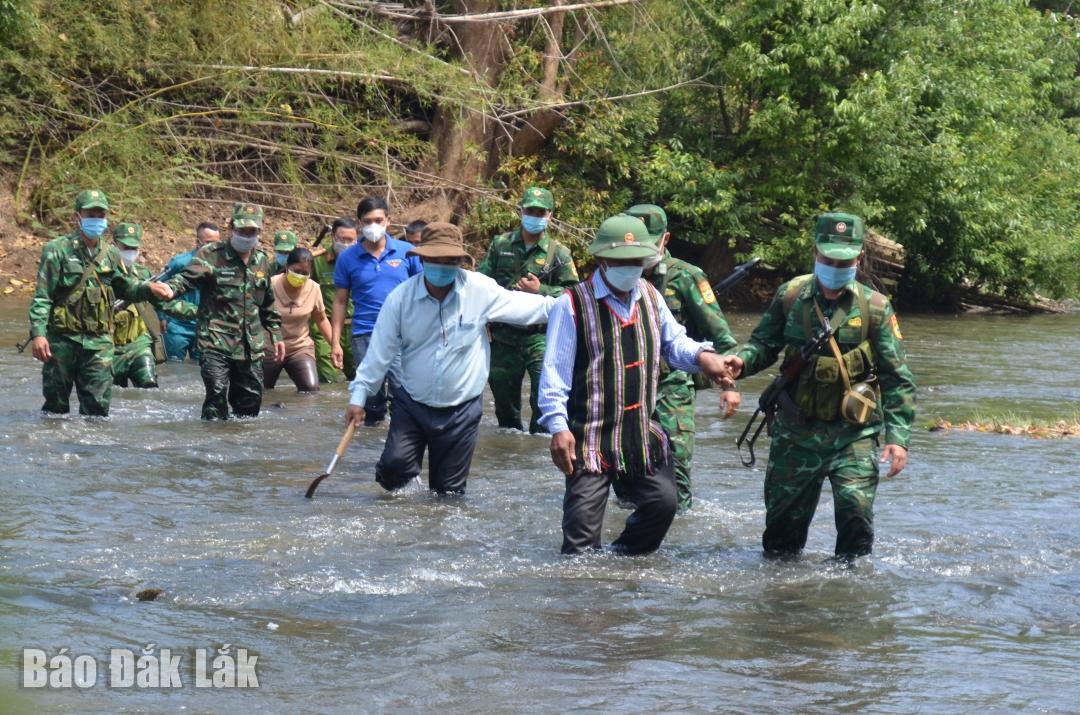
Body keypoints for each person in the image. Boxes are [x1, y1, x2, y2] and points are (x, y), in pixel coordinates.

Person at [720, 212, 916, 560]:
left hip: (853, 433)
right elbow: (763, 345)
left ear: (858, 259)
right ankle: (783, 602)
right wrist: (741, 361)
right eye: (828, 259)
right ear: (815, 253)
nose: (835, 266)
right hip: (796, 432)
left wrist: (897, 439)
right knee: (781, 538)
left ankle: (847, 597)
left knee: (856, 516)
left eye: (843, 260)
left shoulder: (875, 307)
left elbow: (896, 376)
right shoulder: (792, 295)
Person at [538, 214, 737, 556]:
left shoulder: (649, 295)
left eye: (636, 262)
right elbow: (553, 374)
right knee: (579, 548)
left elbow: (675, 344)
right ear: (601, 260)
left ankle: (622, 565)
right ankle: (584, 598)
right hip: (591, 439)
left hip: (640, 433)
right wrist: (558, 426)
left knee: (663, 504)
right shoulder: (572, 305)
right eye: (621, 262)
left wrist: (706, 358)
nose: (629, 268)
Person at [345, 222, 555, 495]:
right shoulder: (400, 299)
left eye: (449, 261)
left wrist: (576, 304)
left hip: (461, 408)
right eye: (435, 260)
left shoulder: (479, 290)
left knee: (448, 494)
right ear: (422, 260)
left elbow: (530, 308)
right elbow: (378, 354)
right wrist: (358, 399)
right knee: (393, 470)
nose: (442, 266)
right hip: (412, 402)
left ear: (460, 262)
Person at [618, 203, 741, 512]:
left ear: (666, 239)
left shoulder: (685, 277)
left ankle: (677, 541)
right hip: (627, 387)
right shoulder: (614, 274)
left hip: (671, 388)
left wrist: (729, 385)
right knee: (625, 473)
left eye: (652, 240)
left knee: (677, 473)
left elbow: (723, 336)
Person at [27, 190, 173, 416]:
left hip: (99, 344)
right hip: (62, 341)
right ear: (77, 217)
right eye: (90, 213)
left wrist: (149, 289)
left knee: (98, 411)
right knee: (55, 409)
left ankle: (91, 451)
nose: (96, 218)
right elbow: (42, 296)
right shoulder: (56, 250)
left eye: (100, 214)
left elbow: (125, 287)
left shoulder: (111, 254)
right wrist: (38, 334)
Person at [162, 202, 285, 420]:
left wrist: (275, 333)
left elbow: (267, 302)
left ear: (259, 231)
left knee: (250, 403)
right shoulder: (211, 254)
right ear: (231, 228)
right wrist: (169, 289)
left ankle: (242, 449)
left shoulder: (262, 260)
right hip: (215, 341)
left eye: (252, 231)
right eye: (241, 230)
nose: (246, 235)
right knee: (216, 396)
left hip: (250, 345)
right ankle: (212, 447)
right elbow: (185, 279)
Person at [478, 187, 579, 433]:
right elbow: (480, 283)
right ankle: (509, 456)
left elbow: (574, 296)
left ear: (549, 216)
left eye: (540, 211)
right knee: (504, 405)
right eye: (530, 210)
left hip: (541, 337)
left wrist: (541, 289)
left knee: (544, 400)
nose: (534, 215)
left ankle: (539, 449)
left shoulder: (559, 254)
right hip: (503, 336)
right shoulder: (500, 244)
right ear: (521, 211)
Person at [332, 196, 422, 425]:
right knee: (370, 397)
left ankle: (401, 440)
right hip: (365, 334)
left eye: (378, 219)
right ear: (360, 223)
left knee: (405, 392)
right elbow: (340, 302)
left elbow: (424, 292)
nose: (373, 225)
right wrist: (335, 343)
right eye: (367, 221)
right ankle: (371, 447)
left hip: (403, 334)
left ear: (388, 220)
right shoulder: (347, 258)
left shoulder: (407, 252)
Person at [263, 247, 336, 392]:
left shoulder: (314, 289)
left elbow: (321, 320)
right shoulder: (269, 285)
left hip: (299, 347)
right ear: (287, 267)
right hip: (270, 348)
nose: (300, 276)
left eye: (305, 273)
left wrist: (335, 345)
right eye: (296, 271)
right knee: (260, 392)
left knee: (311, 389)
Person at [111, 222, 166, 388]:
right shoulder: (103, 272)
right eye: (125, 246)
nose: (130, 251)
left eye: (134, 247)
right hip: (109, 346)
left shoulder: (143, 273)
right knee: (113, 394)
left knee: (149, 387)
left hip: (139, 342)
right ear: (114, 245)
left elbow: (159, 302)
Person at [159, 222, 219, 361]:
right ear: (198, 242)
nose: (214, 247)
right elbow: (161, 287)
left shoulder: (221, 266)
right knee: (173, 368)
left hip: (205, 327)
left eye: (217, 243)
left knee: (203, 369)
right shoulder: (180, 262)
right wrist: (162, 317)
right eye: (209, 242)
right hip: (178, 326)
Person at [310, 218, 357, 384]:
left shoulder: (363, 261)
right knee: (330, 382)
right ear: (332, 237)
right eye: (341, 239)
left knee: (359, 379)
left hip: (356, 329)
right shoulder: (317, 261)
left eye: (350, 240)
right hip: (325, 328)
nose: (345, 243)